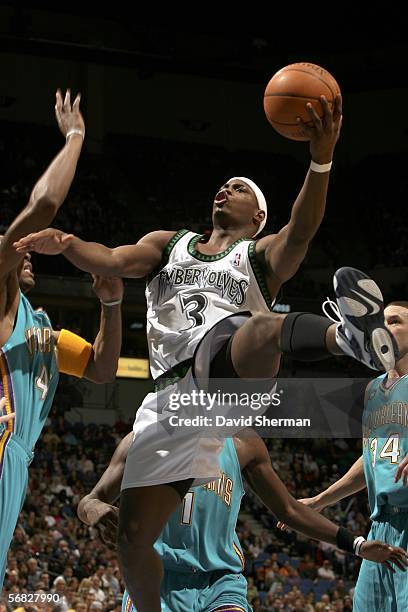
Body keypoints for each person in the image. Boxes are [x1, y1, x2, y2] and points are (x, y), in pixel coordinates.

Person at [13, 95, 398, 611]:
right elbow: (111, 258)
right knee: (133, 539)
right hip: (169, 404)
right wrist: (68, 244)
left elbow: (302, 230)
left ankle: (342, 337)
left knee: (252, 329)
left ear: (258, 215)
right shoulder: (168, 244)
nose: (226, 188)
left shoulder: (258, 256)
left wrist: (320, 159)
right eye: (224, 184)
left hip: (231, 384)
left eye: (239, 187)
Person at [0, 89, 123, 589]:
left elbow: (102, 368)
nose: (25, 253)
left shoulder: (40, 329)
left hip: (16, 458)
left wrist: (111, 305)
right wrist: (75, 136)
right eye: (14, 248)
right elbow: (46, 202)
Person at [77, 431, 408, 612]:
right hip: (157, 580)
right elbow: (88, 500)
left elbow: (289, 511)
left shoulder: (242, 443)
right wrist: (98, 511)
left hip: (219, 580)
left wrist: (356, 544)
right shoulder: (141, 441)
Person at [277, 299, 408, 611]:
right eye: (381, 321)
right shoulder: (374, 390)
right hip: (381, 527)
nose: (384, 328)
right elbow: (371, 459)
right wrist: (319, 501)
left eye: (395, 321)